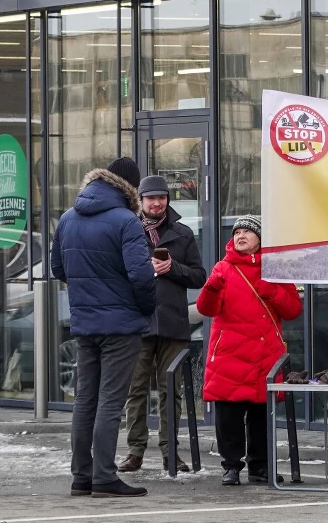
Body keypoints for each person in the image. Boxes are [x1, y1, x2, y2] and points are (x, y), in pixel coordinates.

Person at [52, 157, 157, 498]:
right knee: (111, 402)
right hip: (120, 325)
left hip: (84, 323)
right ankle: (104, 476)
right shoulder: (127, 221)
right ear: (129, 187)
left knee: (86, 400)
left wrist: (88, 292)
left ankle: (81, 475)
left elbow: (58, 268)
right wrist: (143, 308)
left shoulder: (68, 218)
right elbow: (142, 276)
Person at [197, 215, 302, 486]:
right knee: (229, 415)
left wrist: (271, 291)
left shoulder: (275, 268)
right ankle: (231, 466)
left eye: (247, 231)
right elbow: (206, 309)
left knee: (260, 415)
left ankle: (260, 467)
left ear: (260, 238)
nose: (240, 236)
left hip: (265, 354)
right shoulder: (223, 268)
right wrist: (210, 289)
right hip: (230, 354)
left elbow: (293, 309)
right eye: (237, 232)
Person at [118, 174, 207, 474]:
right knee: (137, 389)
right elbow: (117, 275)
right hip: (138, 323)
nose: (157, 203)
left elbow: (199, 276)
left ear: (168, 200)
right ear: (140, 201)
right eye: (150, 198)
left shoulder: (182, 234)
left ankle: (171, 452)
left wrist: (173, 268)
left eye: (162, 197)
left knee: (172, 390)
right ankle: (135, 451)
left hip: (173, 323)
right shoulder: (127, 232)